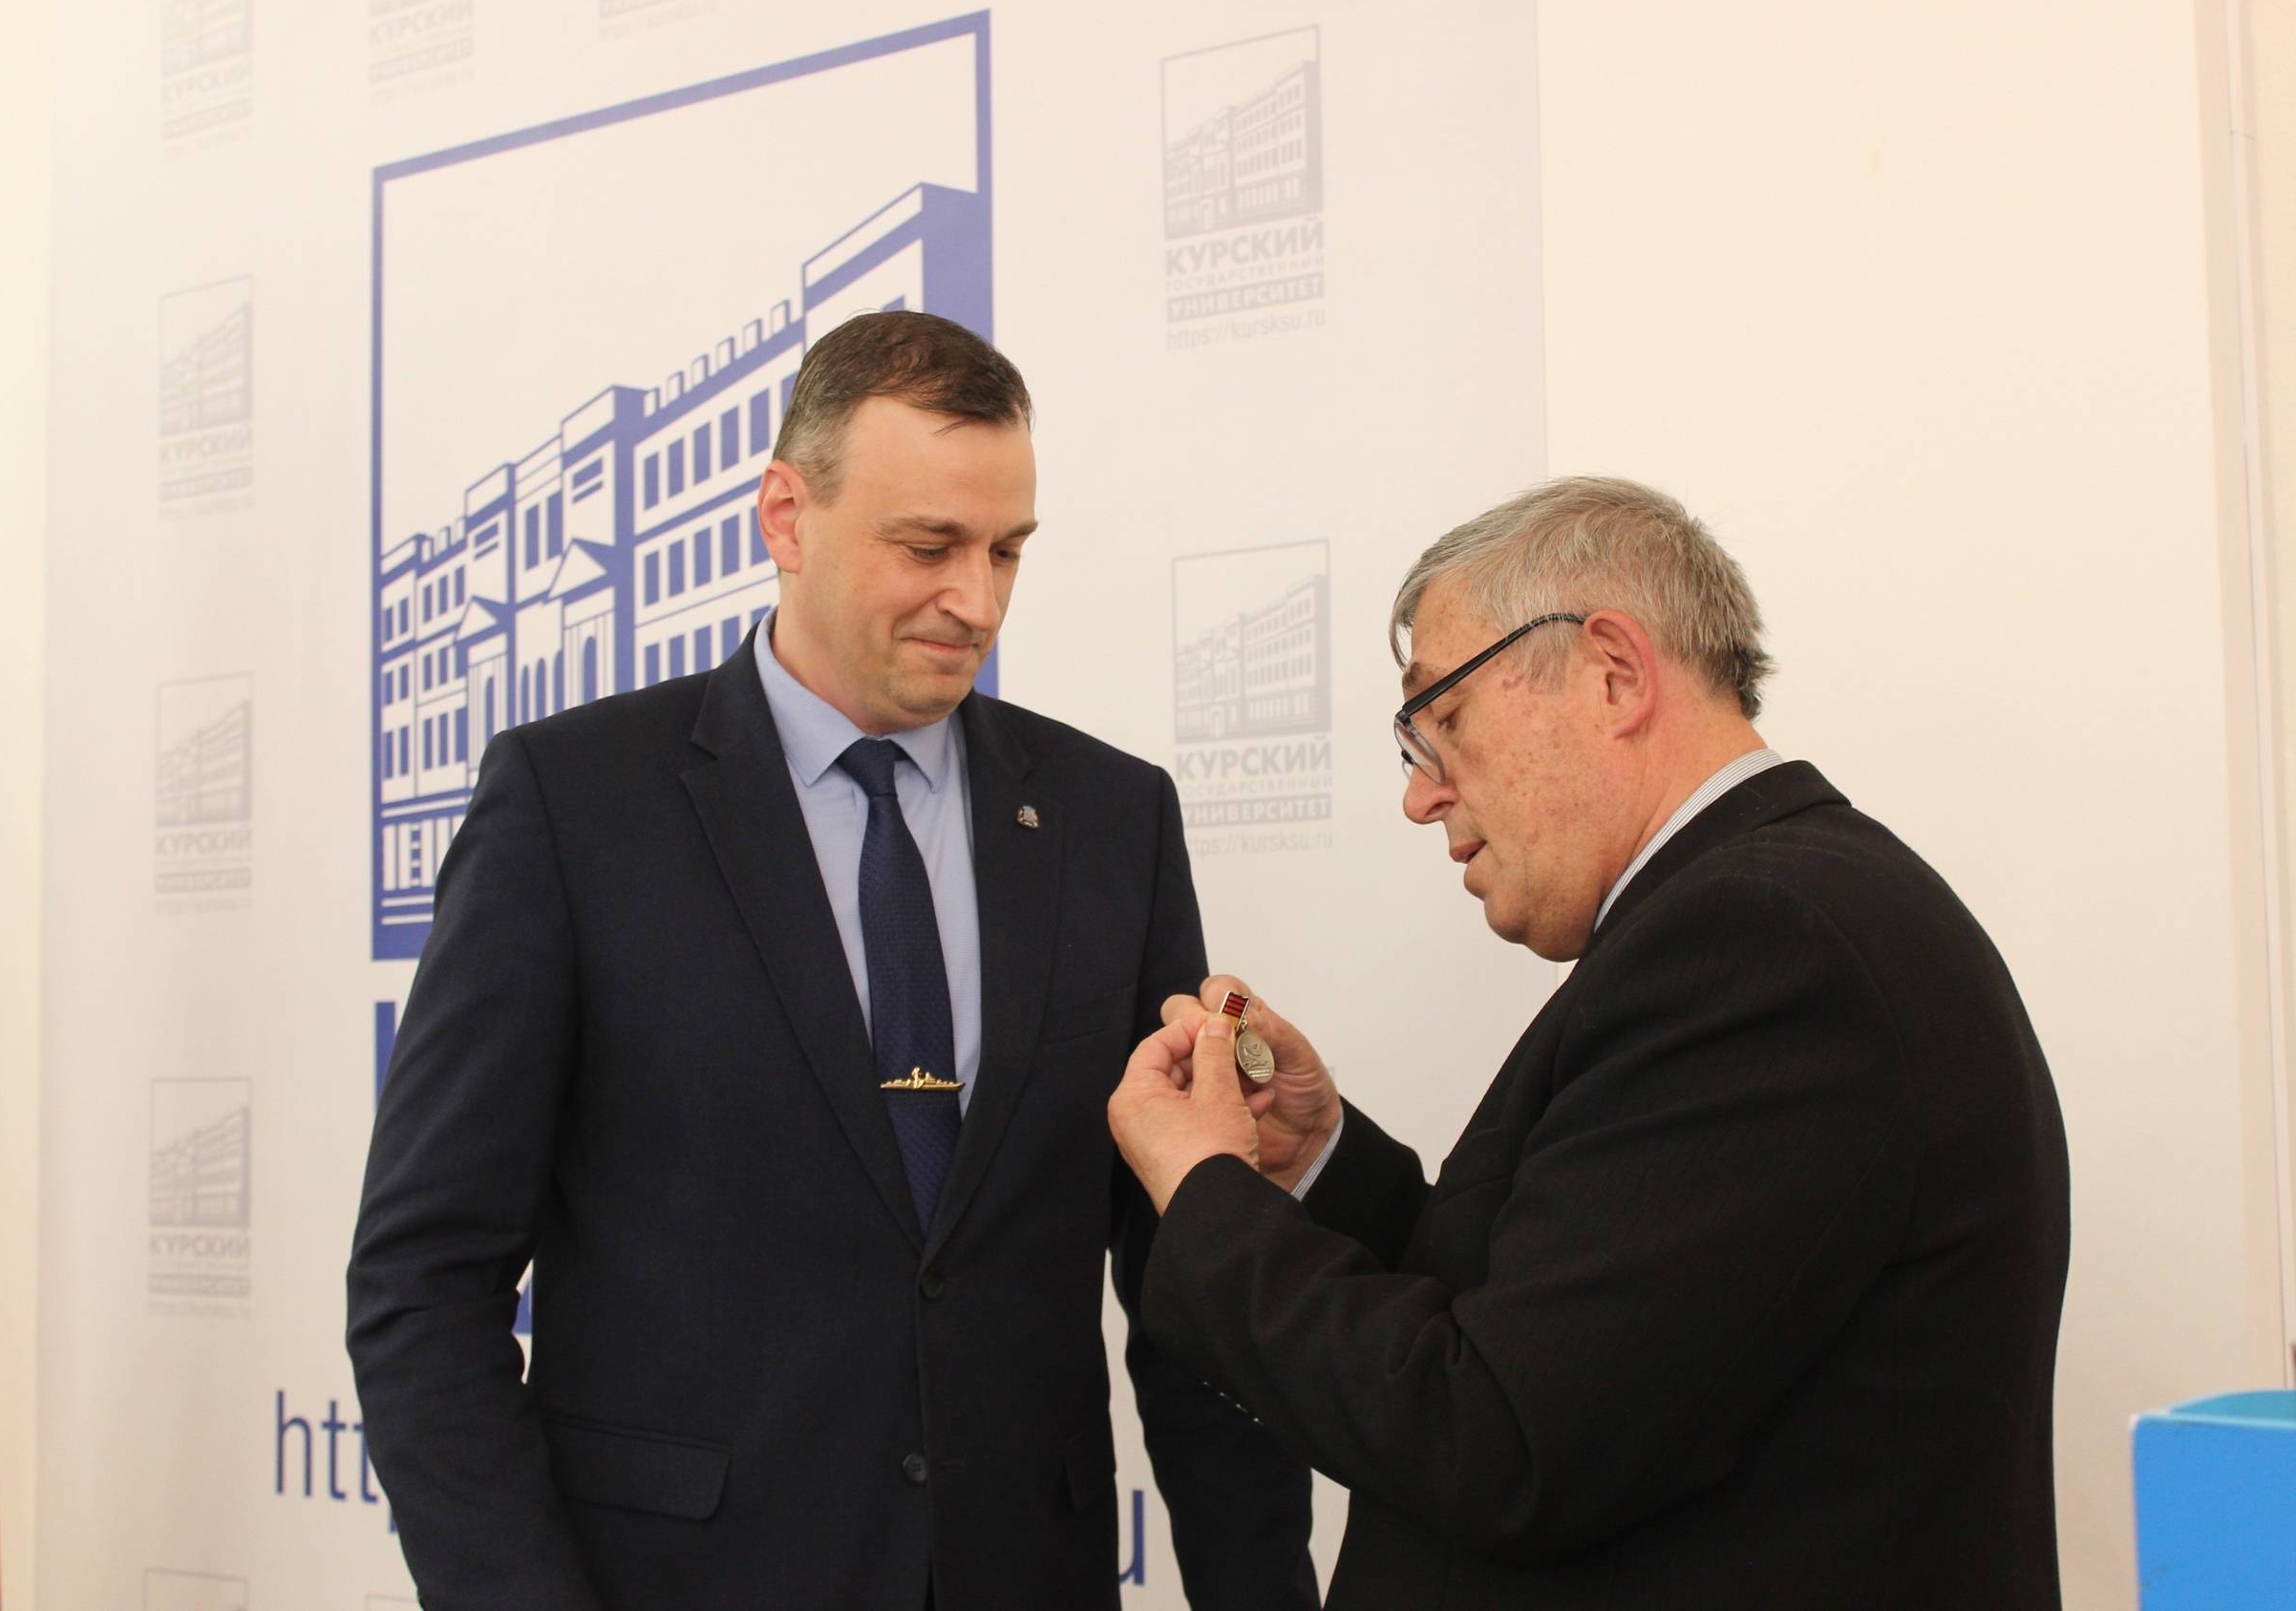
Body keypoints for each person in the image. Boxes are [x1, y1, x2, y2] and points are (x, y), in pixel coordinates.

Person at [349, 310, 1315, 1611]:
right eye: (928, 547)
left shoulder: (1112, 819)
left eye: (1006, 550)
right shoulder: (573, 806)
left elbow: (1191, 1268)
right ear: (785, 517)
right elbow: (422, 1283)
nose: (977, 602)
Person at [1107, 477, 2070, 1609]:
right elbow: (1565, 1332)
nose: (1420, 797)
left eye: (1440, 722)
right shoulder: (1770, 916)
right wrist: (1316, 1159)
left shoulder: (1762, 946)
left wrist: (1207, 1192)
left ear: (1612, 672)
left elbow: (1500, 1443)